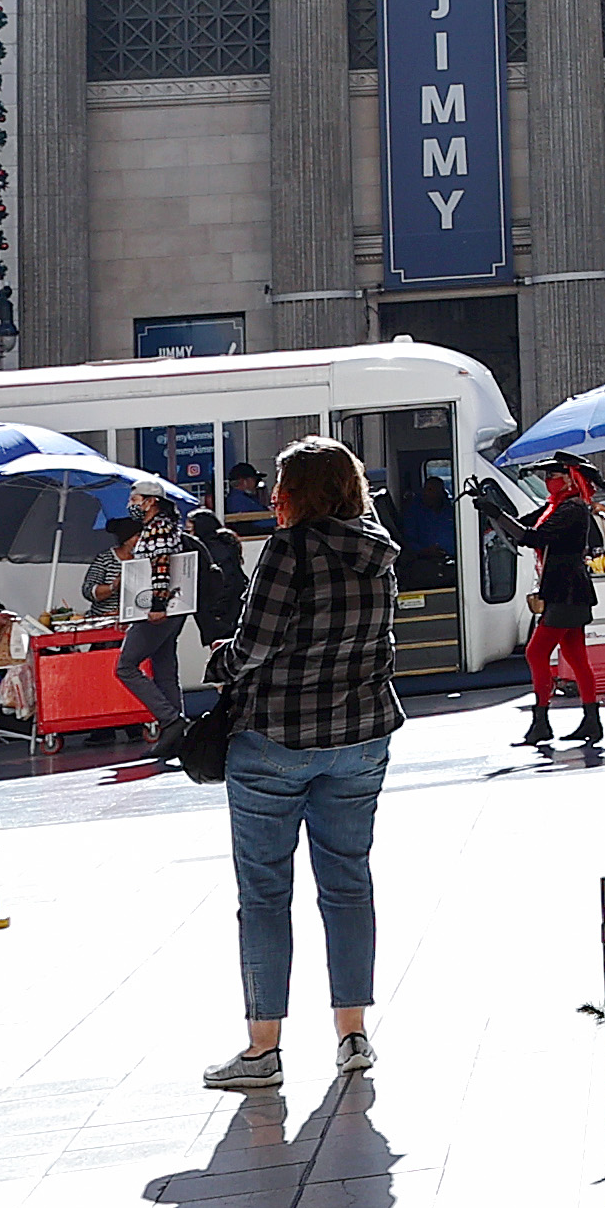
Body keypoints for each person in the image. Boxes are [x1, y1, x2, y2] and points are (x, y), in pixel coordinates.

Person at [205, 435, 403, 1092]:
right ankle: (353, 1036)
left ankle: (263, 1049)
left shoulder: (289, 549)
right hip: (361, 736)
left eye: (280, 486)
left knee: (265, 894)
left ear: (299, 493)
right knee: (347, 885)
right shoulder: (379, 549)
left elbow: (256, 644)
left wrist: (220, 662)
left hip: (275, 741)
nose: (271, 497)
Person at [516, 465, 605, 757]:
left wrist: (495, 513)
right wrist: (493, 511)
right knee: (575, 656)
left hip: (566, 591)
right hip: (567, 591)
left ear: (569, 478)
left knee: (536, 652)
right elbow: (524, 526)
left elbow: (533, 537)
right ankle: (591, 720)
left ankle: (542, 721)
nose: (548, 481)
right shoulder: (557, 506)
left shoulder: (571, 509)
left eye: (552, 476)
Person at [97, 498, 194, 739]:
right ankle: (176, 734)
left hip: (157, 610)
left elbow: (161, 566)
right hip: (170, 609)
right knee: (164, 669)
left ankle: (171, 720)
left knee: (126, 667)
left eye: (134, 499)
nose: (130, 503)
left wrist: (158, 604)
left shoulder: (158, 528)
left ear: (150, 502)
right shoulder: (167, 526)